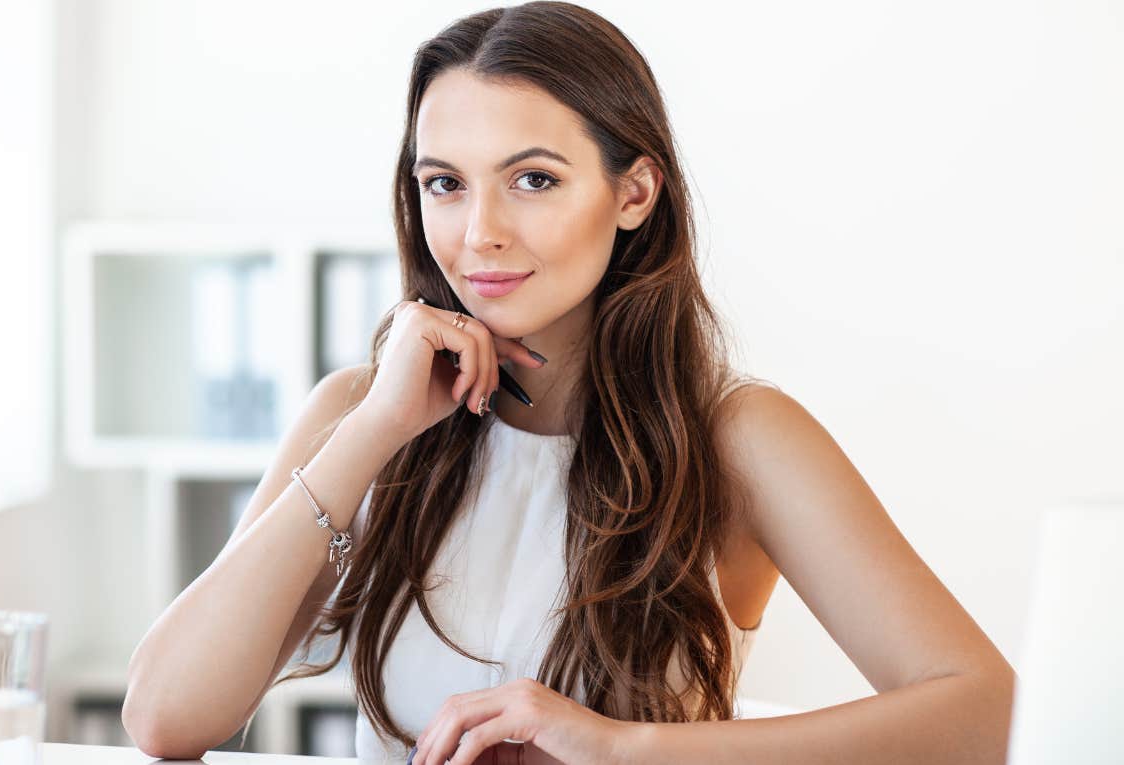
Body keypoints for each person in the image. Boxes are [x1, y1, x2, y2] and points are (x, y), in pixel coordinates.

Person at [121, 3, 1017, 763]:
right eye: (445, 183)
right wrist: (373, 429)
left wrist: (623, 745)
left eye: (534, 180)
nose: (480, 233)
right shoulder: (359, 416)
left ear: (634, 194)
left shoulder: (738, 436)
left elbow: (985, 710)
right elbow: (166, 716)